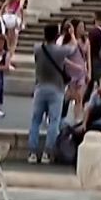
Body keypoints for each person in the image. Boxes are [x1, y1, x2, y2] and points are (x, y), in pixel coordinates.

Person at [28, 23, 70, 164]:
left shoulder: (37, 49)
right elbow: (74, 48)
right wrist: (70, 33)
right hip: (56, 88)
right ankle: (47, 152)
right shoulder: (60, 51)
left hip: (40, 86)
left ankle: (32, 152)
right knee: (54, 121)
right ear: (56, 35)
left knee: (35, 121)